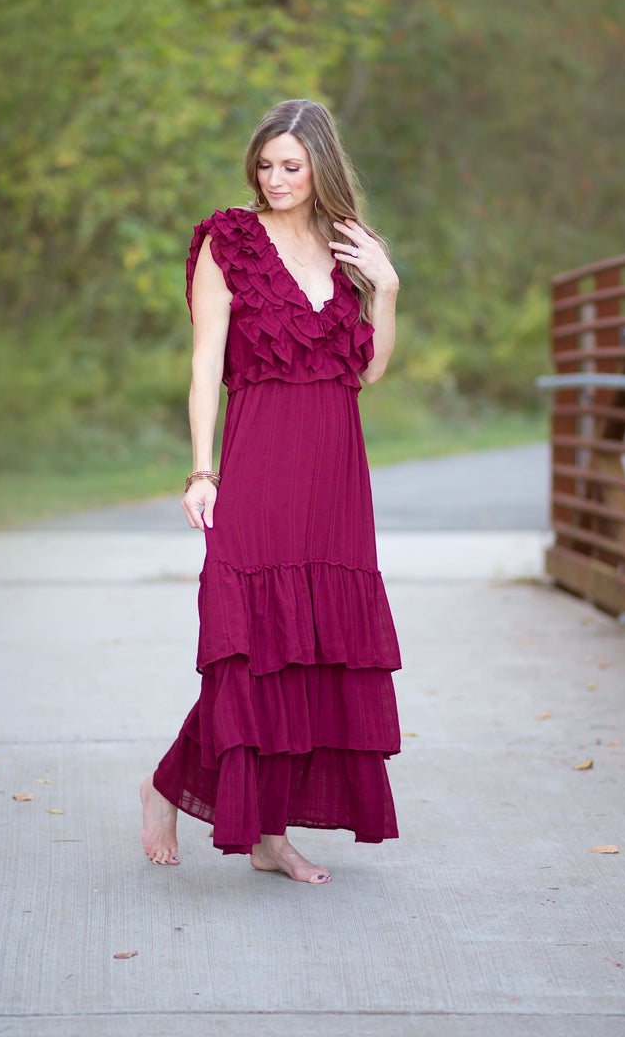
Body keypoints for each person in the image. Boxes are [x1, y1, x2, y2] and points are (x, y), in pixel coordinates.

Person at [140, 98, 402, 884]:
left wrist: (386, 289)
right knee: (255, 646)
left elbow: (368, 371)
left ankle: (267, 835)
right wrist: (202, 470)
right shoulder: (229, 241)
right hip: (259, 460)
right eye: (265, 165)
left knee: (313, 648)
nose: (276, 178)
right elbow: (204, 365)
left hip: (336, 471)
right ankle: (172, 785)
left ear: (322, 167)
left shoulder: (349, 246)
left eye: (292, 165)